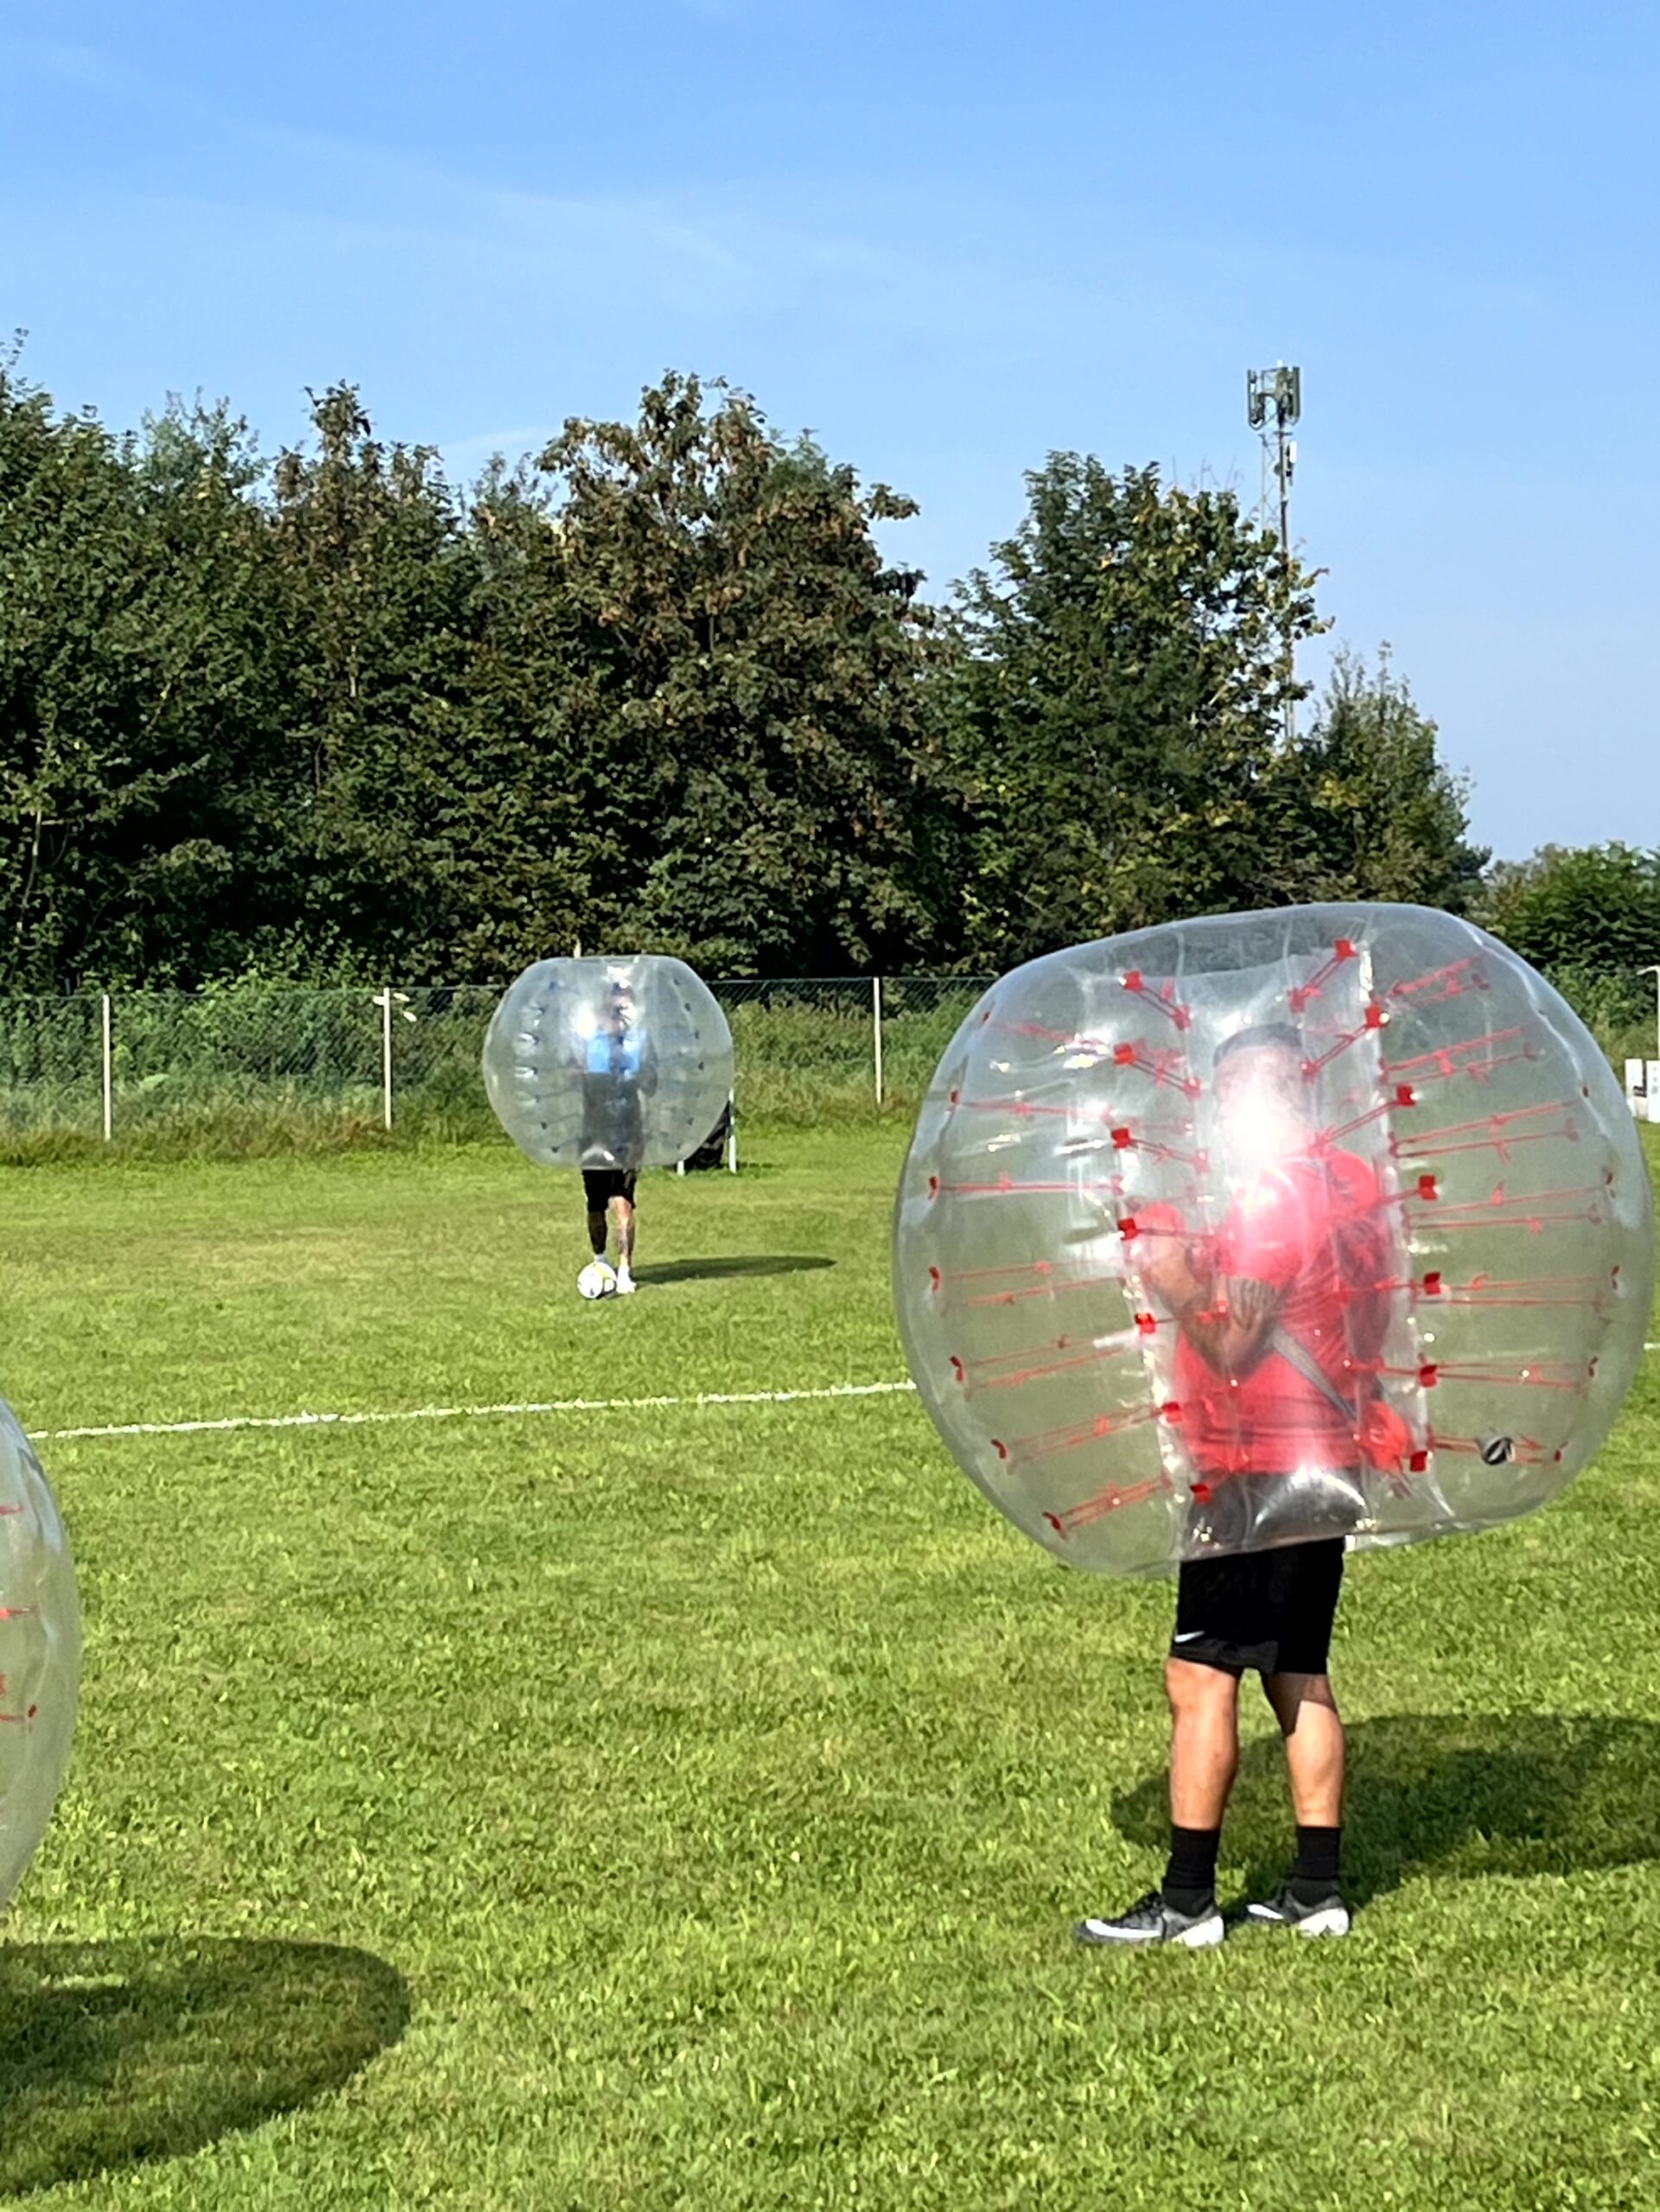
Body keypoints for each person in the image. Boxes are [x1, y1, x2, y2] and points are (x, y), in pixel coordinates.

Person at [1075, 1021, 1389, 1948]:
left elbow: (1233, 1340)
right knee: (1298, 1667)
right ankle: (1316, 1890)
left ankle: (1184, 1903)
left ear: (1268, 1096)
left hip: (1255, 1464)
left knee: (1199, 1672)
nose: (1220, 1109)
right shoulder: (1349, 1181)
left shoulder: (1271, 1194)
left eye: (1232, 1092)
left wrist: (1170, 1274)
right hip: (1329, 1453)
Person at [578, 991, 656, 1294]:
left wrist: (640, 1069)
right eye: (614, 1011)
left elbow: (651, 1085)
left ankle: (624, 1270)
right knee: (595, 1203)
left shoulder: (636, 1046)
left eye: (624, 1011)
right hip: (593, 1132)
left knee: (622, 1200)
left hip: (627, 1131)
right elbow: (570, 1077)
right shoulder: (588, 1045)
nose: (618, 1018)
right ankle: (600, 1261)